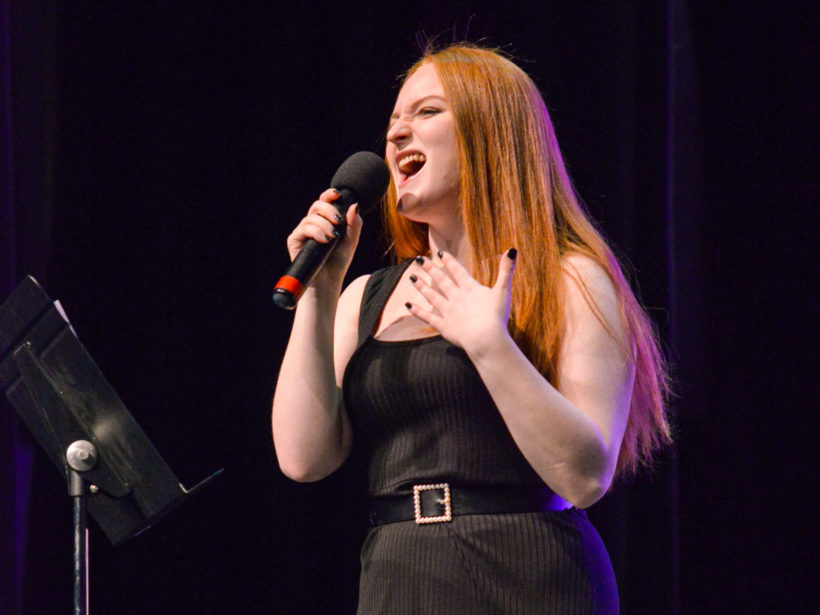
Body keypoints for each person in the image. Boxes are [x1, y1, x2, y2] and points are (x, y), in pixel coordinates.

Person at [271, 43, 670, 614]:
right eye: (394, 121)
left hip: (531, 573)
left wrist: (489, 344)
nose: (398, 133)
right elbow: (303, 459)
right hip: (399, 573)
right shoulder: (365, 297)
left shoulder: (569, 276)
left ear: (492, 134)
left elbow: (585, 476)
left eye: (427, 113)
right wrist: (322, 293)